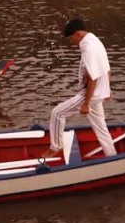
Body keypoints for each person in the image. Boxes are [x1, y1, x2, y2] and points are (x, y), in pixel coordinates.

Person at [49, 18, 116, 158]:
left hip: (91, 94)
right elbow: (106, 67)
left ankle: (55, 147)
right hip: (99, 92)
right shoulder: (95, 40)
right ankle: (112, 155)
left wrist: (86, 103)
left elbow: (93, 78)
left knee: (57, 113)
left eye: (71, 37)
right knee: (101, 127)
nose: (72, 41)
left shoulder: (89, 49)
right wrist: (107, 89)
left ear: (78, 34)